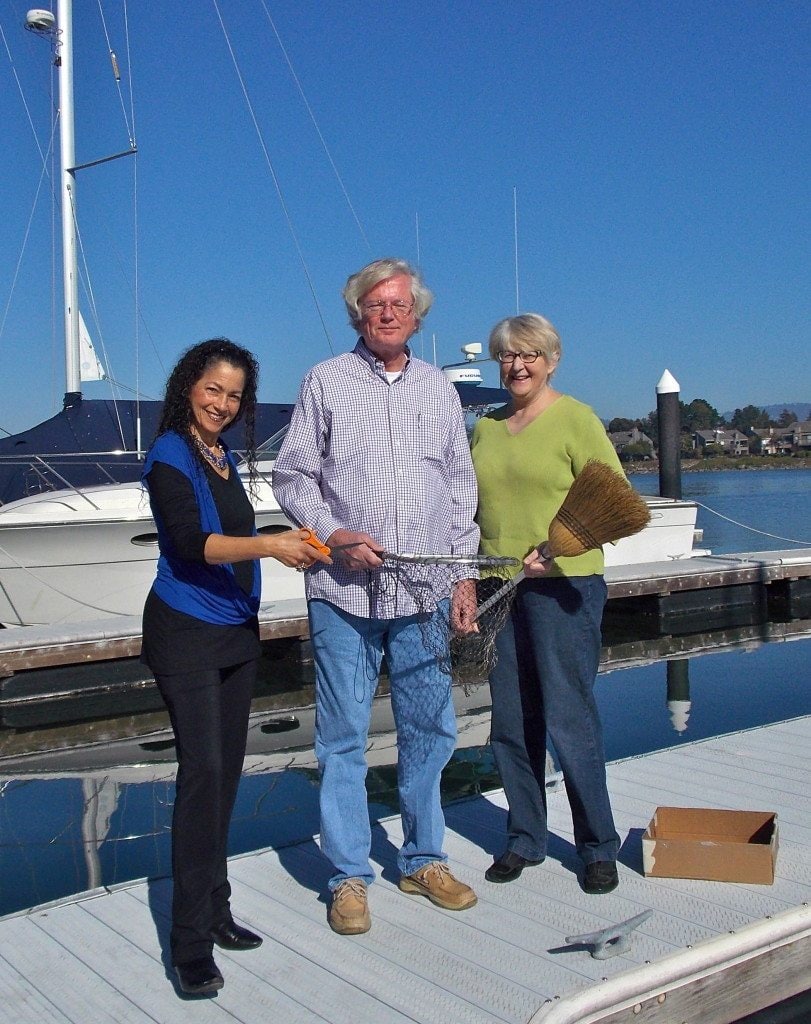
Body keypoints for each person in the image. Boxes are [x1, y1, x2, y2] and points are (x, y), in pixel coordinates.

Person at [272, 258, 480, 935]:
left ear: (416, 317)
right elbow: (293, 477)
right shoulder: (323, 382)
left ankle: (422, 858)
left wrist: (463, 575)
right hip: (342, 592)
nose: (385, 313)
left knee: (430, 728)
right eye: (373, 304)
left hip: (422, 591)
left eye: (397, 304)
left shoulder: (438, 391)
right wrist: (334, 535)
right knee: (341, 738)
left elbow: (459, 488)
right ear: (357, 314)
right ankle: (348, 876)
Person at [141, 338, 330, 995]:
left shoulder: (220, 456)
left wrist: (293, 539)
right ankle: (188, 943)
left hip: (233, 633)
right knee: (204, 775)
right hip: (185, 631)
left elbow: (239, 536)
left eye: (234, 394)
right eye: (212, 389)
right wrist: (271, 545)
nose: (222, 403)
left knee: (224, 779)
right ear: (188, 385)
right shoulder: (169, 453)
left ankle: (215, 910)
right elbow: (190, 543)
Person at [470, 313, 622, 894]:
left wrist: (559, 550)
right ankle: (525, 837)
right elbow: (471, 511)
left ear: (552, 360)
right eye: (507, 356)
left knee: (568, 716)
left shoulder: (576, 420)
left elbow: (617, 506)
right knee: (511, 720)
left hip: (564, 589)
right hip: (499, 587)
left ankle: (596, 845)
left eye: (530, 354)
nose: (518, 365)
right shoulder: (485, 428)